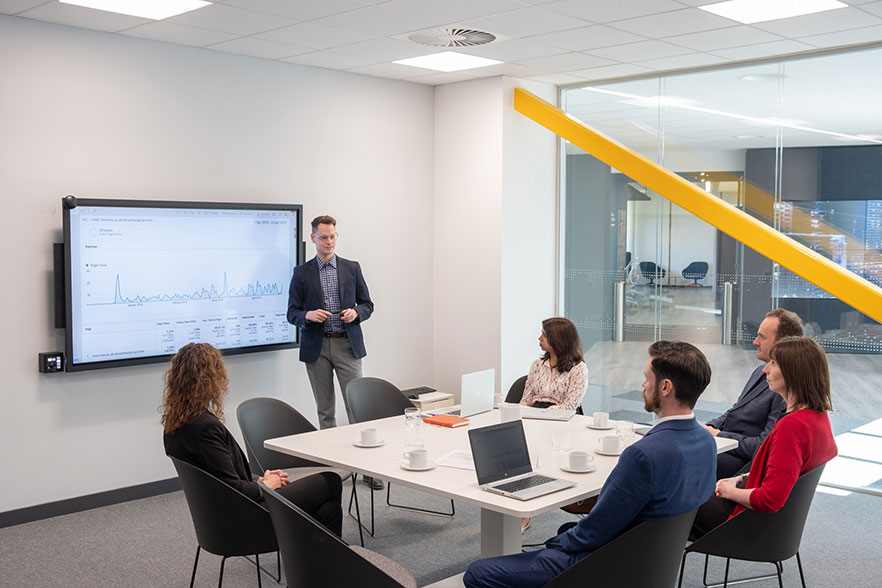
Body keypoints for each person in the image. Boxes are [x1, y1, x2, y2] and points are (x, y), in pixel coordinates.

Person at [464, 341, 717, 588]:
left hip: (606, 564)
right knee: (566, 530)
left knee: (478, 572)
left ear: (665, 387)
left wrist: (557, 543)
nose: (643, 383)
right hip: (652, 563)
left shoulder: (643, 456)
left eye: (647, 377)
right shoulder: (706, 442)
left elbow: (595, 531)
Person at [161, 342, 343, 537]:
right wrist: (265, 485)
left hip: (217, 517)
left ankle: (315, 564)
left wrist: (260, 478)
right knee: (330, 481)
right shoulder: (205, 428)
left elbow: (222, 475)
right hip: (246, 515)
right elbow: (233, 490)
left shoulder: (176, 424)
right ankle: (316, 561)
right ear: (212, 379)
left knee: (329, 510)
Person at [691, 336, 837, 539]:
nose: (765, 370)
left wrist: (728, 491)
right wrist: (740, 479)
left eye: (774, 363)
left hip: (745, 522)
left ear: (794, 374)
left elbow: (770, 499)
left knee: (668, 497)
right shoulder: (817, 417)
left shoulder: (792, 426)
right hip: (773, 524)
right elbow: (783, 473)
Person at [287, 215, 374, 431]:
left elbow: (367, 305)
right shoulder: (301, 273)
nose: (329, 242)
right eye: (324, 237)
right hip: (317, 348)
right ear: (313, 238)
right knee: (325, 411)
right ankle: (332, 462)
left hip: (347, 345)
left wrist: (355, 312)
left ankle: (359, 461)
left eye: (333, 237)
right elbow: (292, 313)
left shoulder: (352, 268)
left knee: (356, 406)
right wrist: (308, 315)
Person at [704, 308, 803, 479]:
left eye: (762, 337)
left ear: (782, 344)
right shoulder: (760, 371)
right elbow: (735, 411)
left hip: (741, 463)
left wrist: (720, 435)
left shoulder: (784, 389)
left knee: (681, 459)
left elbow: (763, 446)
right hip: (727, 446)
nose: (756, 342)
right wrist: (710, 427)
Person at [519, 317, 588, 410]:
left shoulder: (578, 368)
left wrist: (543, 415)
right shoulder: (537, 364)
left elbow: (569, 406)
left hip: (562, 418)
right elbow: (526, 400)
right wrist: (520, 413)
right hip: (535, 414)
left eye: (544, 335)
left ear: (558, 338)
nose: (539, 338)